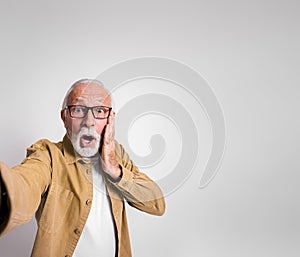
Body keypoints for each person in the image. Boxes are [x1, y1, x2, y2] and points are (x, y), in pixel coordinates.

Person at [0, 79, 165, 257]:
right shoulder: (48, 155)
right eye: (78, 110)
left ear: (111, 119)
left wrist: (115, 171)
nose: (89, 121)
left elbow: (156, 204)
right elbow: (24, 185)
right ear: (64, 118)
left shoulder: (117, 155)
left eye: (100, 111)